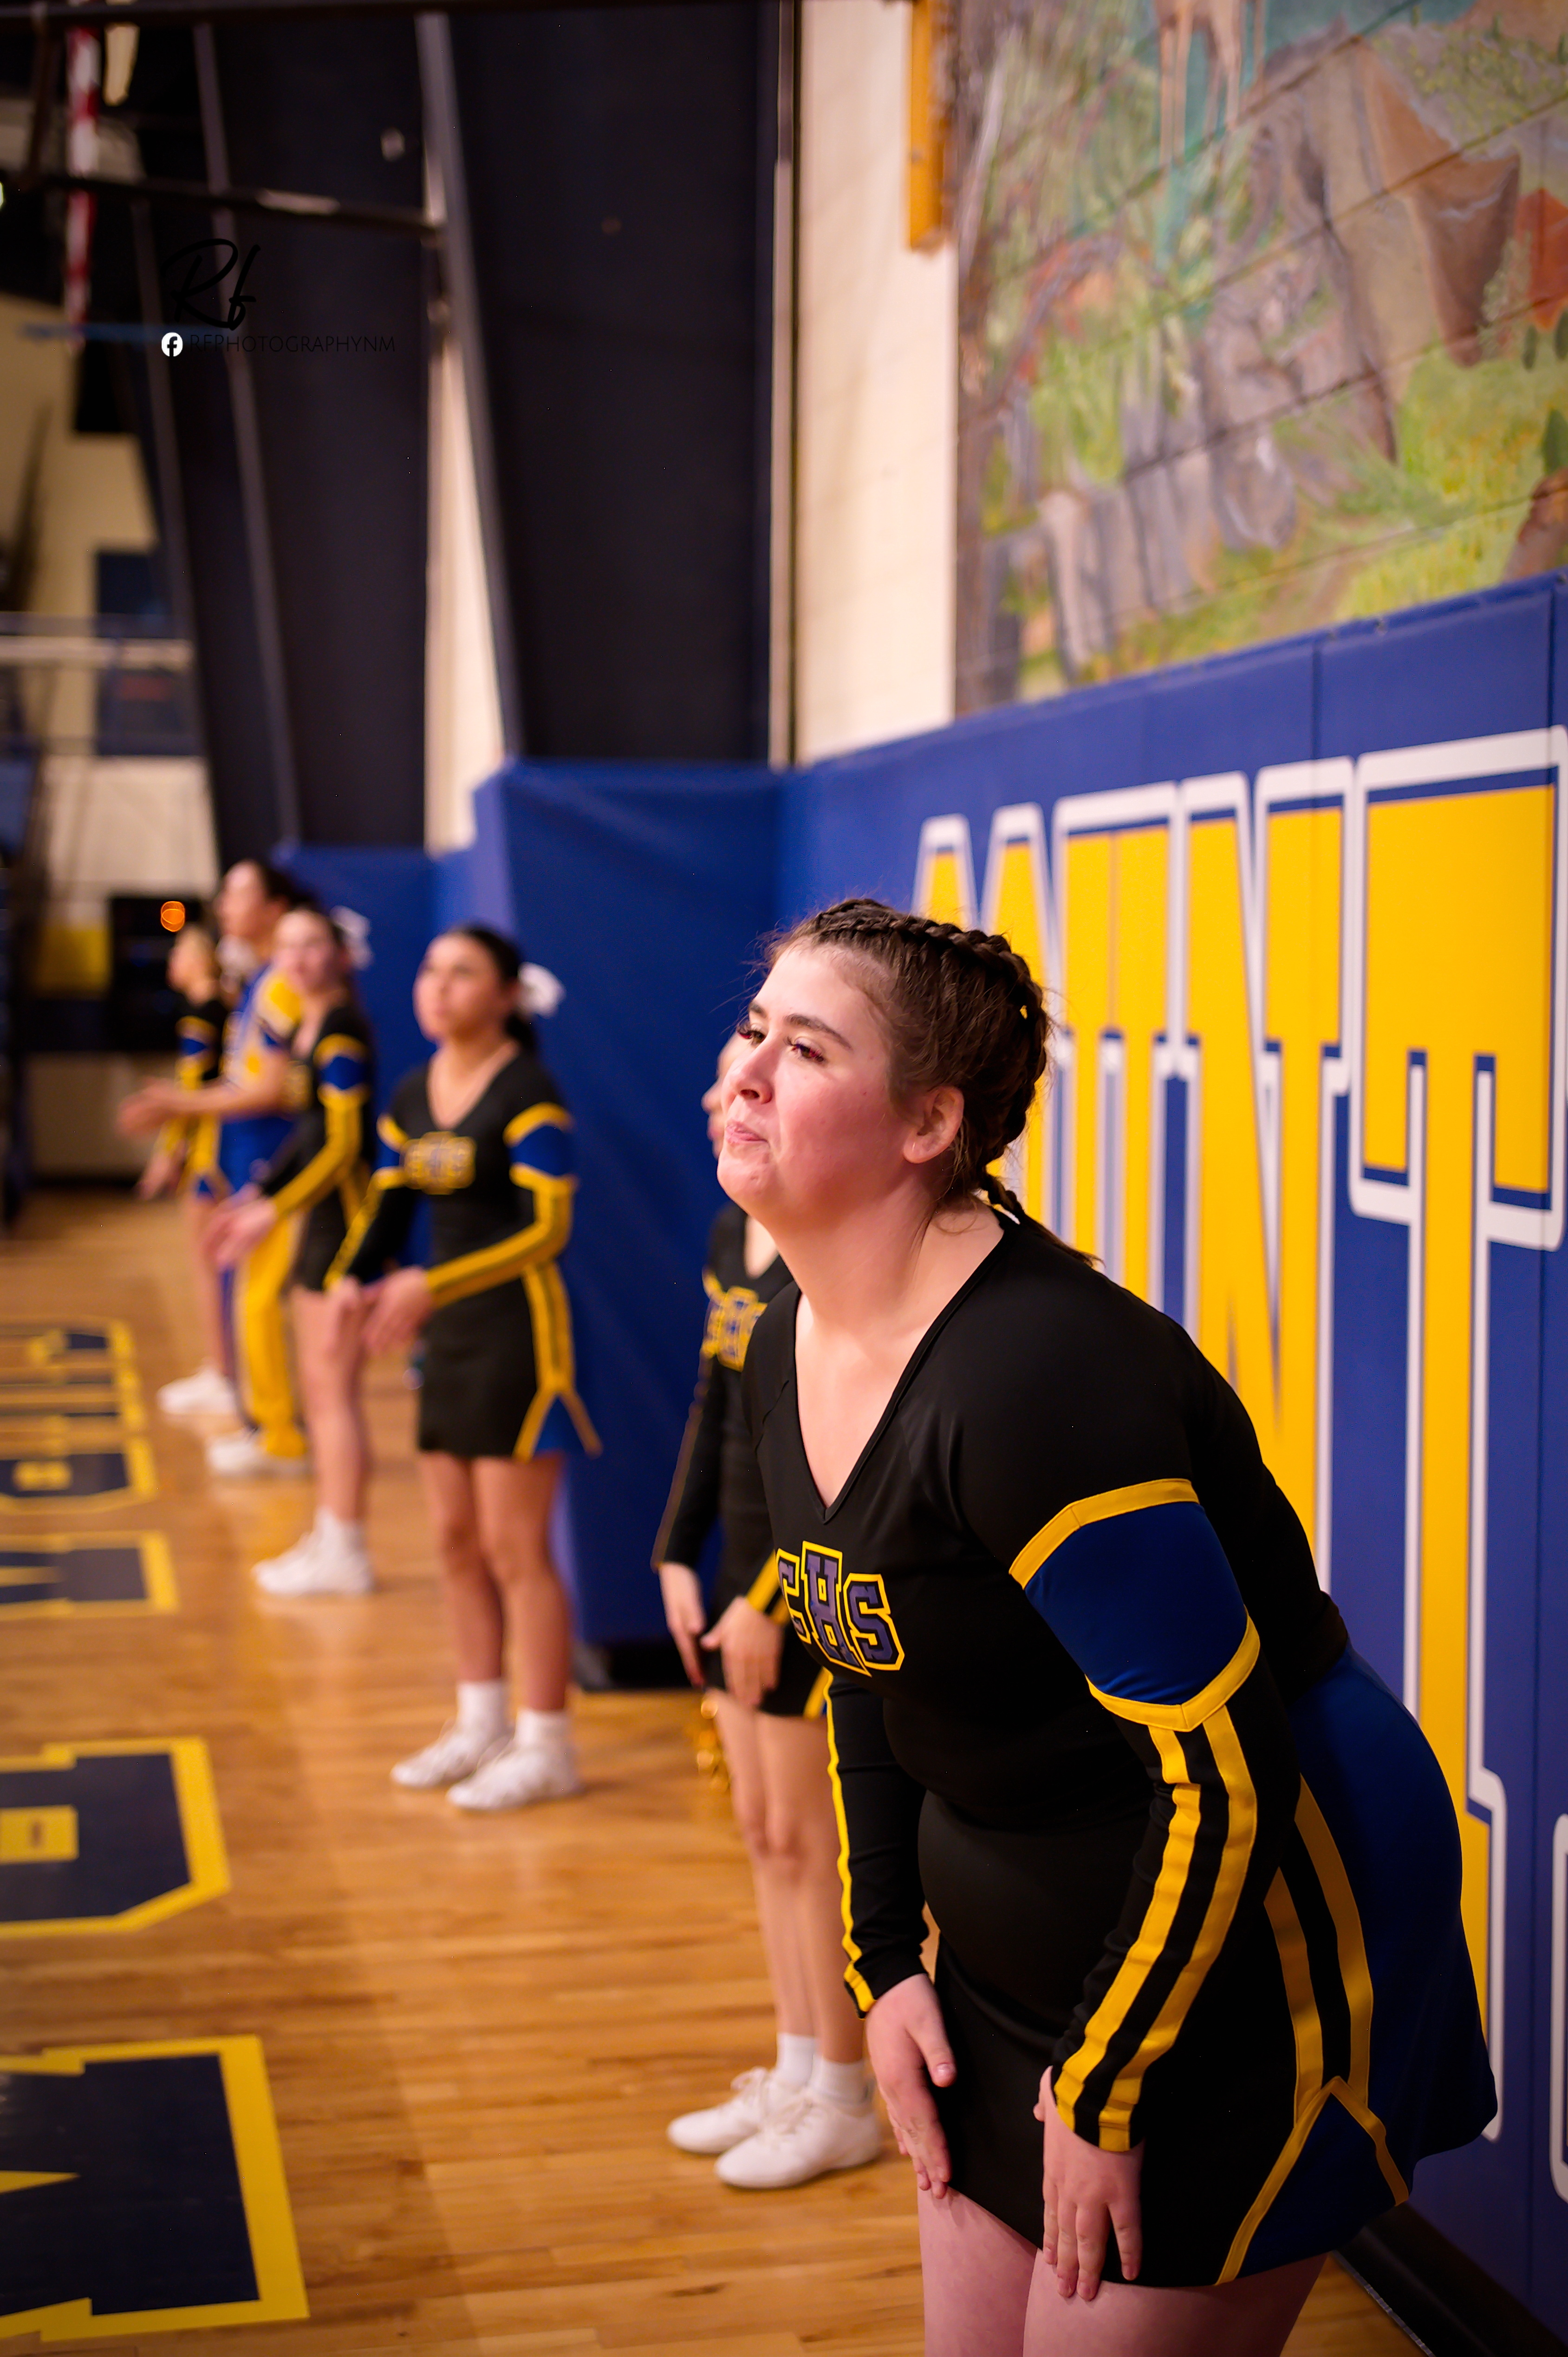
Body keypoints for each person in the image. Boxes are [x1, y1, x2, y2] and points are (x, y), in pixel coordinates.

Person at [720, 898, 1496, 2357]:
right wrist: (883, 1963)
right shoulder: (785, 1331)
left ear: (926, 1121)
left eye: (806, 1046)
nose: (748, 1069)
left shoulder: (1036, 1380)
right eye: (755, 1027)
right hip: (1014, 1958)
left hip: (1241, 1959)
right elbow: (868, 1670)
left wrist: (1106, 2085)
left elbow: (1223, 1776)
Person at [656, 1038, 880, 2191]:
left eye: (745, 1075)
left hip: (793, 1596)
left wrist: (763, 1599)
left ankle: (846, 2094)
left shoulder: (821, 1264)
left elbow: (844, 1470)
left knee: (809, 1842)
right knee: (762, 1833)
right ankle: (796, 2069)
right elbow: (714, 1403)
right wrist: (671, 1554)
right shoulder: (726, 1238)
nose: (715, 1095)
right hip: (735, 1580)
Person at [326, 924, 599, 1809]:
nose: (439, 987)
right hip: (442, 1339)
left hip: (519, 1337)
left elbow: (547, 1230)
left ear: (508, 995)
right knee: (452, 1542)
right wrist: (350, 1281)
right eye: (430, 969)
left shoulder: (530, 1093)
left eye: (463, 973)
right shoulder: (409, 1094)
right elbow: (385, 1209)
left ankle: (547, 1740)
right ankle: (480, 1721)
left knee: (515, 1548)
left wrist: (428, 1285)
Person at [206, 905, 377, 1596]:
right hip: (323, 1223)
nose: (299, 959)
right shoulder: (310, 1025)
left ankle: (346, 1547)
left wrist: (271, 1207)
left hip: (348, 1228)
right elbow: (308, 1133)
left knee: (332, 1393)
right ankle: (332, 1533)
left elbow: (341, 1145)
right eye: (288, 947)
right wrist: (262, 1194)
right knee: (323, 1387)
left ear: (338, 954)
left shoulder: (340, 1032)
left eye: (313, 945)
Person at [120, 858, 308, 1475]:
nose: (224, 904)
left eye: (237, 893)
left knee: (260, 1301)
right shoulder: (259, 983)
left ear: (274, 906)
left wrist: (177, 1109)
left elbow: (267, 1087)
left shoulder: (281, 984)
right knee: (248, 1295)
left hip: (275, 1156)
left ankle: (280, 1433)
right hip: (246, 1152)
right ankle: (265, 1423)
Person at [136, 923, 235, 1417]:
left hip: (211, 1149)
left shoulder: (203, 1011)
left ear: (199, 956)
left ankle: (223, 1373)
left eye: (179, 948)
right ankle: (221, 1368)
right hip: (219, 1144)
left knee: (208, 1264)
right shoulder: (222, 1005)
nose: (172, 958)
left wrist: (167, 1152)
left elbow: (191, 1092)